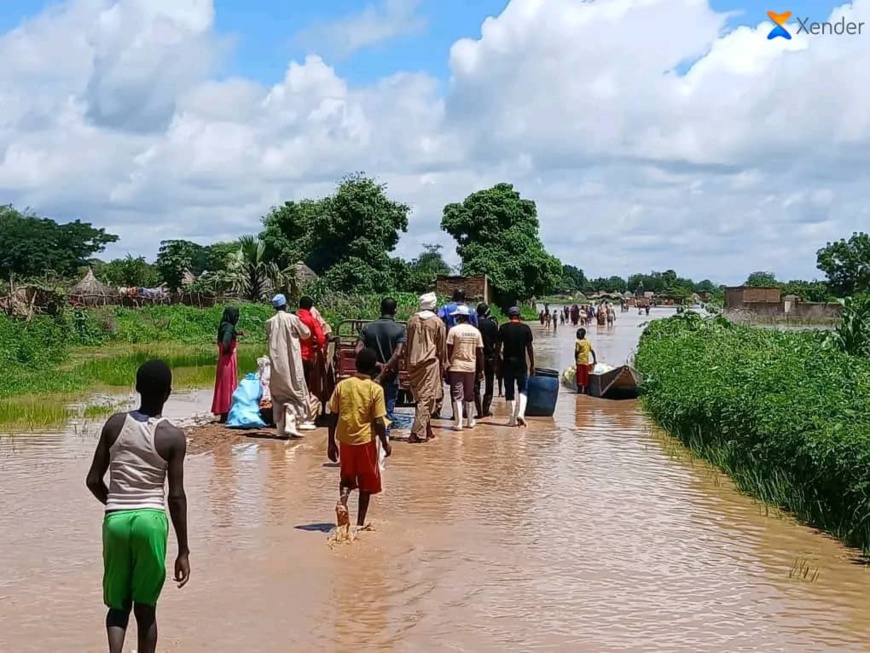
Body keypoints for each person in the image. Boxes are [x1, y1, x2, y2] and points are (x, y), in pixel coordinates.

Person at [86, 360, 189, 653]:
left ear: (136, 388)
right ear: (168, 393)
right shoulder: (173, 436)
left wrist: (116, 505)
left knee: (118, 607)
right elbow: (176, 496)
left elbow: (93, 480)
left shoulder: (115, 424)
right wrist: (183, 550)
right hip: (151, 522)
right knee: (146, 610)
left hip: (115, 520)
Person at [327, 347, 392, 529]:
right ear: (373, 369)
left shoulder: (343, 385)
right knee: (366, 483)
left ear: (356, 365)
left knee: (346, 479)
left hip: (345, 440)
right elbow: (379, 421)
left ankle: (343, 506)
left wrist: (331, 442)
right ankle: (360, 523)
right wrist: (386, 444)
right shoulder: (375, 389)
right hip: (365, 441)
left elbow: (332, 415)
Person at [266, 293, 315, 437]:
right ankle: (291, 424)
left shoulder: (269, 322)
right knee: (295, 393)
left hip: (276, 365)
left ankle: (280, 429)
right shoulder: (293, 319)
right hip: (291, 363)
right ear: (285, 305)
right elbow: (306, 333)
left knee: (279, 396)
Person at [357, 297, 406, 434]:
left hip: (370, 376)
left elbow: (358, 350)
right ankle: (384, 445)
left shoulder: (368, 328)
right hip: (390, 376)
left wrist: (376, 364)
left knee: (367, 411)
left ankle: (369, 442)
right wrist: (385, 368)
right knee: (387, 413)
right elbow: (397, 353)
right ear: (395, 310)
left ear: (380, 309)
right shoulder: (400, 329)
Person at [405, 292, 447, 443]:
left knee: (421, 397)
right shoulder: (437, 322)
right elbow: (441, 347)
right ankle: (417, 434)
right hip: (429, 364)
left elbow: (407, 344)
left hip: (413, 363)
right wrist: (443, 364)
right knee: (426, 398)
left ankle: (427, 430)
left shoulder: (411, 321)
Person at [446, 304, 484, 431]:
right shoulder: (476, 331)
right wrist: (482, 369)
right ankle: (470, 421)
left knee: (457, 395)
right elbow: (480, 353)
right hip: (470, 367)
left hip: (456, 366)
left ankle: (458, 423)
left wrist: (446, 365)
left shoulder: (453, 331)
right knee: (469, 395)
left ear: (459, 317)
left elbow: (449, 350)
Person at [496, 306, 535, 427]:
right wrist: (532, 364)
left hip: (507, 364)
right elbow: (529, 348)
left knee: (509, 391)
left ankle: (512, 419)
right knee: (523, 389)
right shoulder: (525, 329)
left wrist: (497, 362)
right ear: (519, 316)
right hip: (521, 364)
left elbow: (498, 347)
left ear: (509, 316)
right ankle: (521, 414)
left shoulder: (503, 328)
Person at [211, 306, 243, 423]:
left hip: (223, 360)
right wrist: (228, 350)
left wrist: (237, 333)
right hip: (227, 361)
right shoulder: (228, 328)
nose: (237, 318)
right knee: (227, 385)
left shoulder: (224, 325)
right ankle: (226, 412)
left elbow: (228, 333)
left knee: (222, 385)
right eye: (236, 316)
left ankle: (224, 411)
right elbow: (226, 340)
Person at [296, 296, 327, 395]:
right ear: (310, 307)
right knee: (305, 380)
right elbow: (321, 338)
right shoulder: (312, 321)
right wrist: (316, 348)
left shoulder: (292, 318)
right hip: (305, 355)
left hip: (291, 355)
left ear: (299, 305)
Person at [475, 303, 499, 418]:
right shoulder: (492, 325)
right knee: (489, 385)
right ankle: (485, 410)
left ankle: (478, 412)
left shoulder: (473, 324)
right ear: (487, 312)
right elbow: (497, 342)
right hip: (489, 358)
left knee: (476, 386)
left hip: (475, 358)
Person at [574, 328, 597, 395]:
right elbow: (592, 351)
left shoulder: (578, 343)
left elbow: (576, 353)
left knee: (580, 378)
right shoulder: (588, 342)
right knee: (585, 378)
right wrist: (595, 360)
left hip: (580, 362)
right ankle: (586, 392)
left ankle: (579, 392)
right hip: (586, 362)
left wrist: (576, 361)